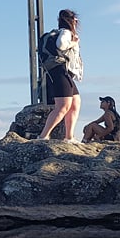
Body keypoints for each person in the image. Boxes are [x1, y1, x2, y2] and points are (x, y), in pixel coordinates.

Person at [38, 9, 83, 141]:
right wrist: (74, 43)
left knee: (75, 103)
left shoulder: (61, 32)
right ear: (73, 21)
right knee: (63, 106)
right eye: (75, 21)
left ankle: (69, 137)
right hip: (60, 71)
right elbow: (61, 45)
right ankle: (43, 136)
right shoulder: (66, 33)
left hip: (62, 71)